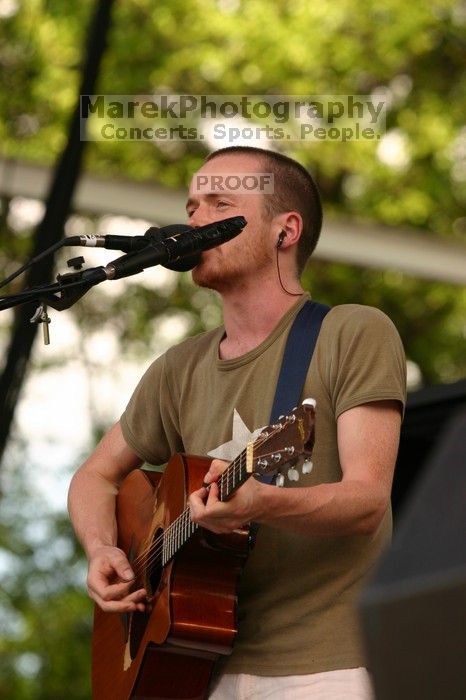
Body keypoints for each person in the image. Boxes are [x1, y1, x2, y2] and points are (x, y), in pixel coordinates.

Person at [68, 146, 406, 699]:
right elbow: (94, 477)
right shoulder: (178, 368)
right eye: (192, 205)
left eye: (219, 203)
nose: (195, 219)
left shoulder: (351, 333)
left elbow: (367, 502)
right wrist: (104, 549)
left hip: (323, 671)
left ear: (285, 230)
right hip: (196, 670)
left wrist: (259, 503)